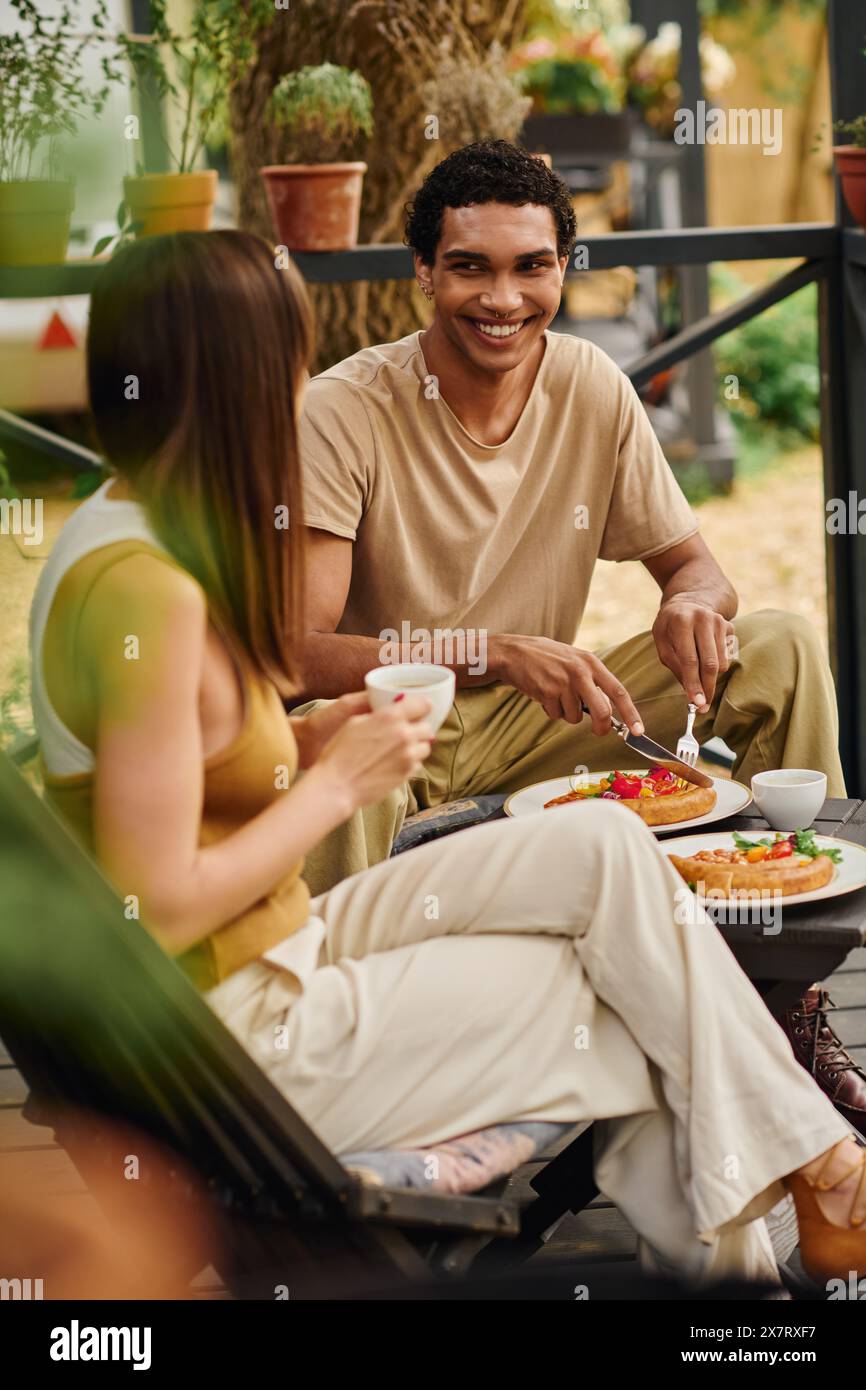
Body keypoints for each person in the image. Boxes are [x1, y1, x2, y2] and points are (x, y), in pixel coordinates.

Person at [29, 230, 866, 1289]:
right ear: (236, 378)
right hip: (245, 1041)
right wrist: (335, 783)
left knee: (603, 850)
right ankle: (783, 1243)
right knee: (631, 991)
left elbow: (173, 780)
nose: (301, 392)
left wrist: (302, 742)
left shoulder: (122, 529)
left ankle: (812, 1192)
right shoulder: (148, 592)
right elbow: (161, 900)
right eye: (287, 362)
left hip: (273, 953)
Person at [295, 138, 863, 1132]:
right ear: (423, 270)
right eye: (468, 266)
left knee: (775, 642)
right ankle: (331, 1066)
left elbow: (698, 566)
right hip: (396, 727)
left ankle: (789, 1001)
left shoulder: (590, 386)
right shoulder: (344, 410)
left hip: (539, 727)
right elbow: (296, 651)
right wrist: (492, 649)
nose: (501, 297)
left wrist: (693, 598)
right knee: (331, 757)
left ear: (562, 270)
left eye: (530, 267)